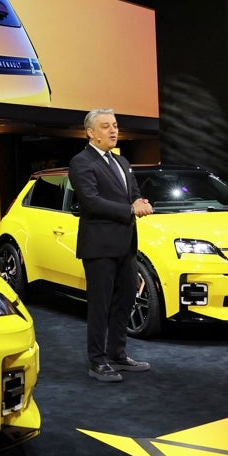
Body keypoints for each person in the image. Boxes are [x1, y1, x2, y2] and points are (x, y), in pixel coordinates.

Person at [68, 108, 154, 383]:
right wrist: (130, 209)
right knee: (100, 306)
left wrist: (140, 202)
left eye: (115, 125)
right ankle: (97, 362)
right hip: (99, 247)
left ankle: (118, 354)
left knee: (125, 301)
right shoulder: (81, 162)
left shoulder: (122, 161)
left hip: (126, 246)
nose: (113, 130)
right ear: (91, 133)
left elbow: (134, 193)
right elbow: (91, 201)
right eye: (106, 126)